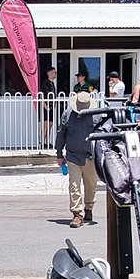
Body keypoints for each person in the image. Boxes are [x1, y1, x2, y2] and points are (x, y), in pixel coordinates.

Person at [56, 89, 98, 227]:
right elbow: (61, 134)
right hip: (73, 156)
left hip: (90, 156)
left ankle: (89, 208)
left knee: (91, 186)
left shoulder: (96, 116)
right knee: (74, 186)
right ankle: (77, 214)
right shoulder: (68, 114)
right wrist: (59, 154)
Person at [41, 66, 60, 148]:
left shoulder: (52, 84)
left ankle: (47, 142)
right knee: (46, 124)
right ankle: (42, 142)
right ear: (49, 73)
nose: (55, 74)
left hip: (51, 107)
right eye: (54, 73)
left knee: (50, 124)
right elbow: (41, 95)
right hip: (47, 107)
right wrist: (45, 105)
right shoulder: (46, 84)